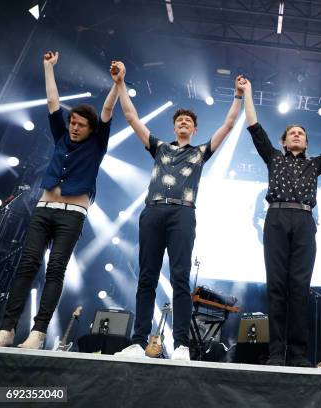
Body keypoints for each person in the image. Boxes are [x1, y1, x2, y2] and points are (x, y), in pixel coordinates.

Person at [111, 61, 245, 361]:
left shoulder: (199, 153)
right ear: (174, 126)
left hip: (182, 213)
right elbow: (131, 117)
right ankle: (137, 342)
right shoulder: (159, 147)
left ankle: (181, 344)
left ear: (194, 128)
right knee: (147, 276)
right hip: (153, 211)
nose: (183, 122)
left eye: (188, 120)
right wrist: (120, 83)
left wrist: (237, 96)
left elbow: (228, 126)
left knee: (180, 278)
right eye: (180, 119)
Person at [0, 51, 117, 349]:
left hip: (72, 213)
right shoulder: (61, 137)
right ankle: (7, 328)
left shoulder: (97, 145)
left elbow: (107, 109)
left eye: (80, 125)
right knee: (27, 265)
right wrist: (48, 68)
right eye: (72, 123)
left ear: (90, 129)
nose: (74, 127)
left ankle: (38, 333)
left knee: (55, 269)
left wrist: (117, 83)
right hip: (43, 208)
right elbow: (53, 102)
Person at [242, 78, 321, 366]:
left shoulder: (315, 164)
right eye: (292, 133)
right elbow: (255, 128)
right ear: (283, 141)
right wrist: (248, 93)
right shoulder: (273, 158)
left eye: (301, 133)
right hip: (277, 218)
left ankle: (298, 354)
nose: (296, 135)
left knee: (299, 289)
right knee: (277, 287)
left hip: (305, 220)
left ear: (306, 142)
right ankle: (276, 354)